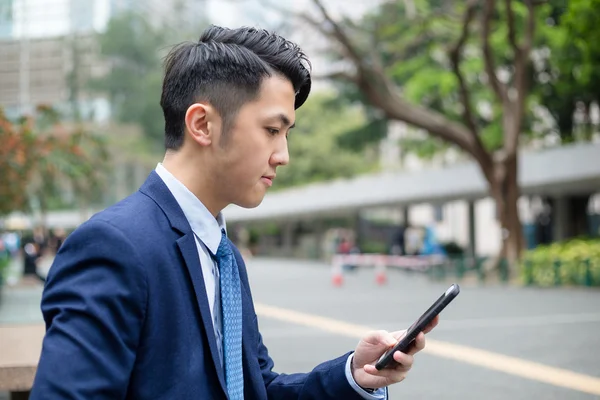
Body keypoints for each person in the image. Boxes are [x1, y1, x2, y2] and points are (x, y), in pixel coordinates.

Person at [30, 25, 438, 399]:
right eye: (272, 130)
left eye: (286, 134)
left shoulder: (224, 257)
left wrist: (354, 375)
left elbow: (256, 389)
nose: (284, 156)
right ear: (202, 125)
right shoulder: (115, 247)